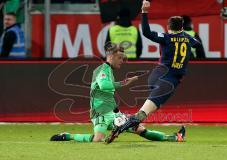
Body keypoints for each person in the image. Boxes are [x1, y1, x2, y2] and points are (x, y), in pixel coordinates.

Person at [106, 0, 201, 144]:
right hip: (169, 82)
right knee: (143, 113)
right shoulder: (188, 38)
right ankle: (119, 128)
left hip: (156, 76)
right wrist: (185, 39)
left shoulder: (166, 37)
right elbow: (197, 44)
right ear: (182, 28)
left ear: (168, 27)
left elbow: (146, 32)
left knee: (145, 109)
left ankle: (173, 136)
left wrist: (144, 12)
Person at [50, 42, 182, 143]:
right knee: (97, 140)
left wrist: (116, 110)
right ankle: (67, 136)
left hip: (114, 114)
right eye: (119, 58)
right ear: (110, 56)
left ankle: (173, 137)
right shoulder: (102, 69)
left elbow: (107, 93)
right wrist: (126, 82)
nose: (122, 61)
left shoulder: (108, 71)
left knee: (140, 129)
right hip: (100, 113)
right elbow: (104, 86)